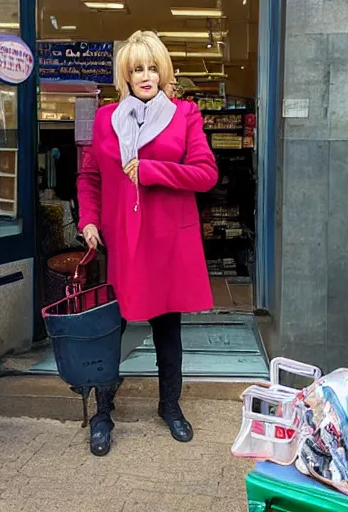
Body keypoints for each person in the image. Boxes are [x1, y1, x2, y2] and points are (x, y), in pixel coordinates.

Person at [77, 30, 218, 456]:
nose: (146, 75)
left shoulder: (185, 114)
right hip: (120, 244)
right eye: (137, 68)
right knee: (108, 333)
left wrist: (155, 170)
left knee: (167, 331)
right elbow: (90, 177)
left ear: (163, 71)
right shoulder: (106, 120)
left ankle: (170, 407)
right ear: (125, 74)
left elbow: (206, 174)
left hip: (166, 244)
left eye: (152, 67)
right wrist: (88, 219)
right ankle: (103, 413)